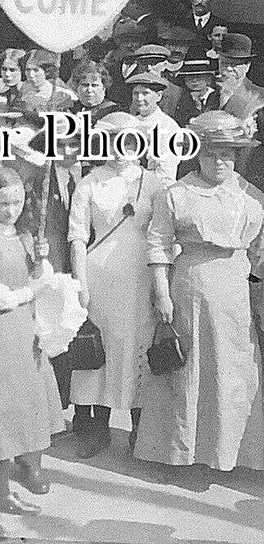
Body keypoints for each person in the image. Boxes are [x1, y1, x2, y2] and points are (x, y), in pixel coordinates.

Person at [135, 111, 264, 471]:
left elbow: (258, 252)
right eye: (209, 153)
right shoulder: (176, 193)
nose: (219, 161)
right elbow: (159, 243)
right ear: (196, 154)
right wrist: (162, 292)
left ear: (237, 155)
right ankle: (179, 452)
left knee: (232, 370)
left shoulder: (250, 195)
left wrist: (256, 293)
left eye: (227, 153)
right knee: (187, 368)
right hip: (190, 286)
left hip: (236, 288)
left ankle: (228, 453)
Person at [0, 168, 62, 540]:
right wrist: (28, 291)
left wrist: (41, 260)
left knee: (20, 418)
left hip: (23, 335)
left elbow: (41, 278)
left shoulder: (23, 235)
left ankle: (4, 493)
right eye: (3, 202)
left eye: (17, 202)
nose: (11, 209)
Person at [67, 112, 166, 458]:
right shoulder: (90, 182)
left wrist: (162, 281)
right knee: (100, 348)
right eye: (114, 140)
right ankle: (96, 427)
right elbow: (78, 236)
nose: (121, 148)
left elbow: (164, 234)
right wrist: (80, 280)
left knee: (137, 345)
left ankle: (142, 428)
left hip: (141, 276)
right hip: (100, 275)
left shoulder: (153, 184)